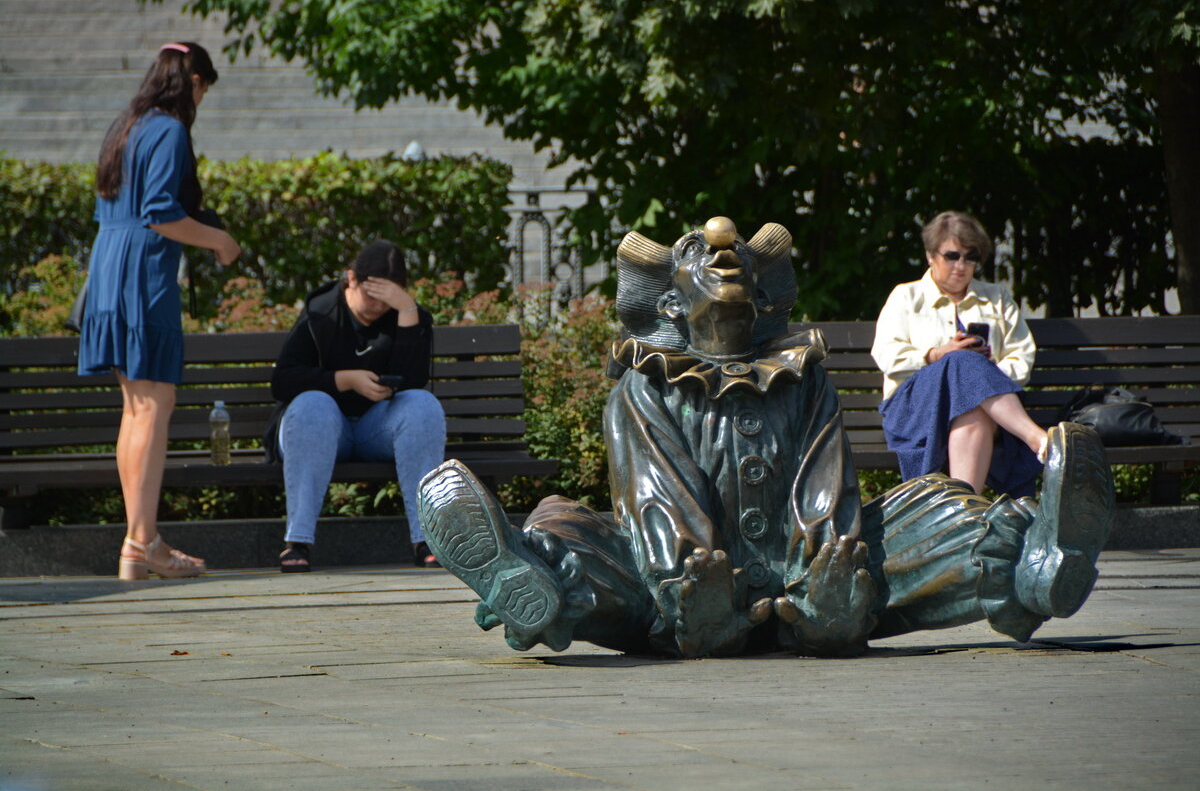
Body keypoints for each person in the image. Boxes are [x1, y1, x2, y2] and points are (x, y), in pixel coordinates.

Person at [416, 216, 1115, 659]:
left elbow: (826, 479)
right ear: (668, 301)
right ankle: (527, 575)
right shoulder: (645, 385)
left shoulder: (801, 375)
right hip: (674, 592)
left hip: (816, 584)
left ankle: (1033, 564)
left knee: (932, 507)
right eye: (700, 251)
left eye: (741, 256)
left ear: (762, 294)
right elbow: (656, 500)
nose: (723, 242)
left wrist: (827, 578)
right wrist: (687, 582)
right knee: (569, 528)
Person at [78, 42, 242, 580]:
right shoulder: (169, 129)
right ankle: (144, 541)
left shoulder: (125, 126)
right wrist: (220, 240)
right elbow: (161, 216)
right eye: (203, 89)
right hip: (141, 274)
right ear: (193, 80)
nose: (201, 99)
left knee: (136, 407)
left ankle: (137, 541)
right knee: (155, 405)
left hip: (107, 267)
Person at [266, 240, 447, 572]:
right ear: (351, 279)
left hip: (375, 430)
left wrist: (408, 313)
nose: (378, 306)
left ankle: (427, 541)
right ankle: (298, 542)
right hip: (320, 430)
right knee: (311, 404)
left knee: (422, 405)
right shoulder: (321, 312)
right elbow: (283, 382)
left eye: (388, 298)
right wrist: (343, 380)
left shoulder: (406, 316)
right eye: (370, 295)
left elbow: (414, 380)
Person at [871, 211, 1048, 498]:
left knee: (972, 397)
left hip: (989, 414)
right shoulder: (906, 296)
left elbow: (1021, 358)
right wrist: (936, 355)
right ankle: (1038, 439)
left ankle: (966, 516)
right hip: (914, 410)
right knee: (961, 361)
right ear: (931, 255)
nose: (961, 265)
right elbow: (886, 355)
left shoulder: (997, 298)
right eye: (952, 256)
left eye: (971, 257)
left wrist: (983, 376)